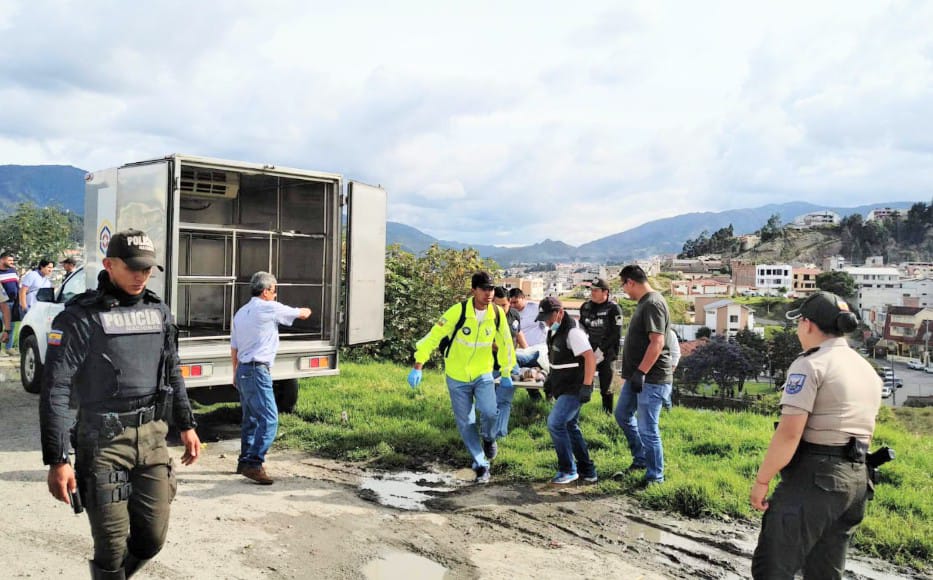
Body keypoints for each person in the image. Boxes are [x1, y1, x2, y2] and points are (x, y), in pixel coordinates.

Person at [39, 229, 202, 579]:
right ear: (109, 264)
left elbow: (171, 371)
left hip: (153, 437)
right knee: (111, 548)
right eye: (132, 268)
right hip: (103, 442)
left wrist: (187, 424)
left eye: (146, 269)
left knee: (152, 539)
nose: (140, 276)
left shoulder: (158, 312)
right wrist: (57, 459)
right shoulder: (79, 318)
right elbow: (56, 390)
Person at [750, 291, 881, 579]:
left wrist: (762, 481)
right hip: (857, 481)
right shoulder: (867, 370)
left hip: (816, 479)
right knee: (824, 573)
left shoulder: (811, 364)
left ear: (808, 324)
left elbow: (789, 433)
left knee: (773, 568)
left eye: (799, 323)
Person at [408, 271, 516, 484]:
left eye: (491, 289)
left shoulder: (497, 314)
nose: (489, 293)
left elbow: (505, 344)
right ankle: (480, 462)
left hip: (483, 373)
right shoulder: (457, 312)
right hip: (457, 376)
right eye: (484, 289)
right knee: (466, 421)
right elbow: (433, 337)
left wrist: (506, 371)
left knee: (490, 412)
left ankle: (488, 438)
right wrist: (418, 365)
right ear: (473, 290)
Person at [230, 271, 312, 485]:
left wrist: (235, 373)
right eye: (274, 291)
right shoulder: (268, 308)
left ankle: (243, 461)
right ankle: (254, 463)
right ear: (266, 291)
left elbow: (234, 347)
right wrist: (308, 309)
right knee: (269, 419)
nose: (275, 295)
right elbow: (300, 314)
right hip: (258, 370)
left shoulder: (241, 312)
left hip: (244, 370)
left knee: (250, 419)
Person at [613, 265, 672, 484]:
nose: (624, 290)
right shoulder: (644, 303)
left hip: (651, 378)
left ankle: (656, 476)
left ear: (630, 282)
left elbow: (657, 342)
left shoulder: (653, 304)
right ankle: (641, 459)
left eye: (624, 285)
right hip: (636, 377)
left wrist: (641, 372)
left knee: (648, 428)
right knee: (622, 414)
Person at [538, 297, 598, 485]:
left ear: (560, 313)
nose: (547, 321)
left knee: (555, 423)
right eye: (544, 317)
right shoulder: (554, 332)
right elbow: (557, 359)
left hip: (575, 388)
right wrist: (549, 379)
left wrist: (587, 386)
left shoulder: (573, 332)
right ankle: (587, 470)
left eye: (549, 316)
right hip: (563, 387)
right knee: (570, 426)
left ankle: (568, 469)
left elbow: (589, 358)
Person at [579, 278, 624, 413]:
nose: (592, 293)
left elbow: (616, 333)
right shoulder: (585, 307)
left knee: (606, 387)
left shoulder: (614, 309)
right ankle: (576, 411)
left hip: (607, 353)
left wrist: (601, 350)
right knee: (582, 381)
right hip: (588, 351)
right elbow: (581, 326)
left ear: (606, 292)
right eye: (591, 290)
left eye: (596, 290)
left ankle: (607, 414)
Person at [509, 287, 547, 399]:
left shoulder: (535, 308)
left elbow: (547, 325)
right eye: (511, 303)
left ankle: (549, 395)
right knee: (528, 376)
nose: (513, 305)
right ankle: (536, 399)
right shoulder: (512, 314)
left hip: (539, 350)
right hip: (524, 351)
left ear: (522, 298)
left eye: (515, 302)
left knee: (542, 373)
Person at [0, 250, 19, 355]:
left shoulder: (13, 271)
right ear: (2, 260)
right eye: (10, 260)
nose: (12, 262)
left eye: (13, 260)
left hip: (12, 303)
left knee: (11, 326)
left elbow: (17, 285)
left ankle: (9, 348)